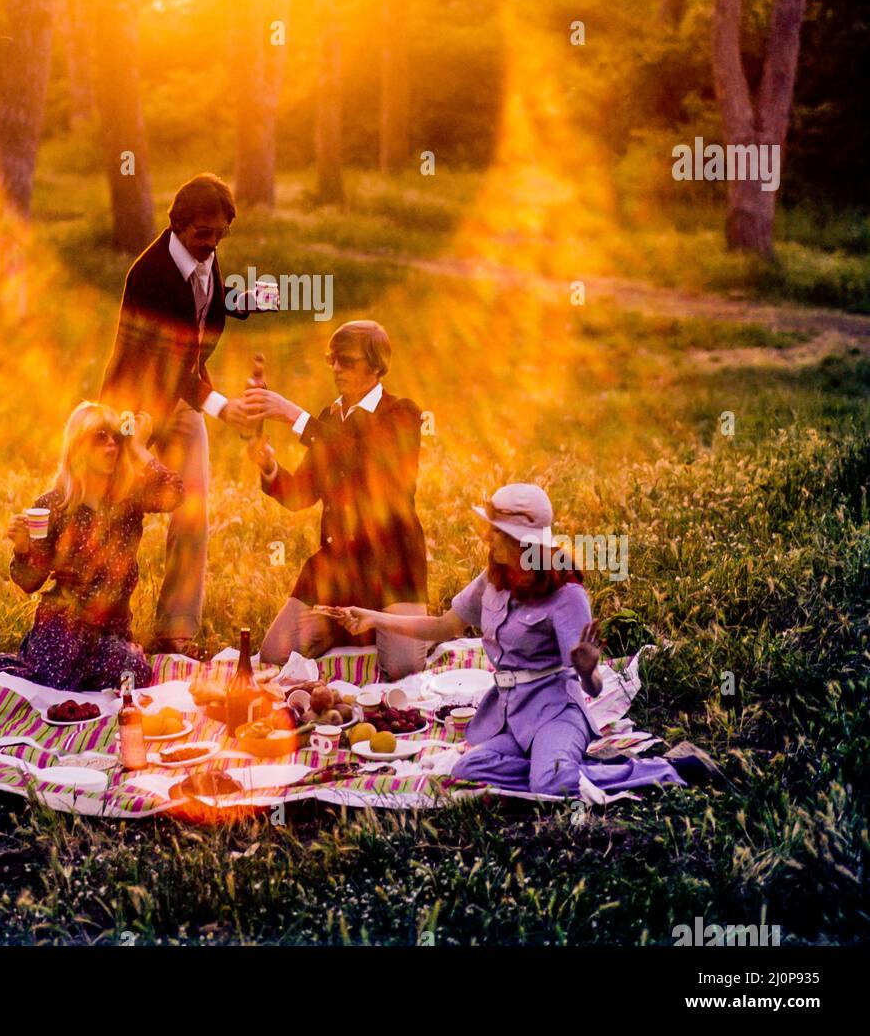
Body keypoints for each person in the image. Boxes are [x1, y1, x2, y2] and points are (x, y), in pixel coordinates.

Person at [331, 482, 723, 794]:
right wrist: (372, 617)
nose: (488, 538)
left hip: (554, 712)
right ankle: (572, 766)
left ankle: (670, 768)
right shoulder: (494, 579)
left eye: (496, 532)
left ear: (523, 541)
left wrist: (588, 671)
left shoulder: (567, 594)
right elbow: (442, 628)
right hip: (506, 714)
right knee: (468, 766)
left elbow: (593, 681)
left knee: (551, 784)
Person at [100, 174, 256, 657]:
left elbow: (203, 317)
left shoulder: (205, 256)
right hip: (134, 409)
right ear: (177, 226)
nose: (211, 244)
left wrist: (248, 301)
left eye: (220, 235)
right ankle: (103, 629)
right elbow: (168, 369)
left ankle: (176, 631)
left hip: (181, 402)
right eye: (202, 234)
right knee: (117, 518)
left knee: (192, 509)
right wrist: (223, 407)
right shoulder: (149, 277)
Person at [242, 319, 431, 680]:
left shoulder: (402, 414)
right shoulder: (330, 418)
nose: (337, 369)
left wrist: (296, 418)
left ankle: (381, 623)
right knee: (274, 652)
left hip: (393, 569)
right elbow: (300, 494)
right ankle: (348, 626)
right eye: (333, 360)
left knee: (403, 668)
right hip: (335, 573)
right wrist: (269, 468)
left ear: (376, 366)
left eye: (348, 361)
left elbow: (368, 466)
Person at [0, 402, 183, 691]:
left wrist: (137, 447)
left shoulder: (128, 498)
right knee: (54, 679)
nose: (111, 444)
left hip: (112, 631)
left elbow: (175, 494)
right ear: (78, 447)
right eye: (100, 436)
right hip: (63, 626)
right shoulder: (53, 506)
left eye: (116, 437)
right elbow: (29, 582)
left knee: (135, 673)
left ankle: (76, 674)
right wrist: (23, 549)